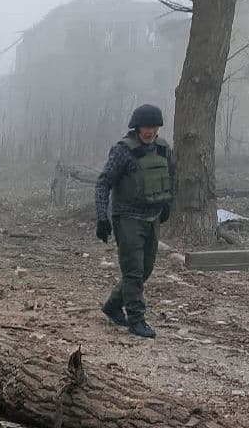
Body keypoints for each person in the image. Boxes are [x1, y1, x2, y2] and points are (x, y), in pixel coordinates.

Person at [95, 104, 175, 339]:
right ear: (136, 127)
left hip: (152, 217)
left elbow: (172, 176)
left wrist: (168, 203)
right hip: (127, 217)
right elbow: (103, 183)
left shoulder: (163, 149)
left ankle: (112, 305)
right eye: (145, 127)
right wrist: (102, 218)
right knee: (133, 271)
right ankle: (136, 320)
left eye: (153, 127)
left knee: (145, 269)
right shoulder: (123, 151)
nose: (149, 131)